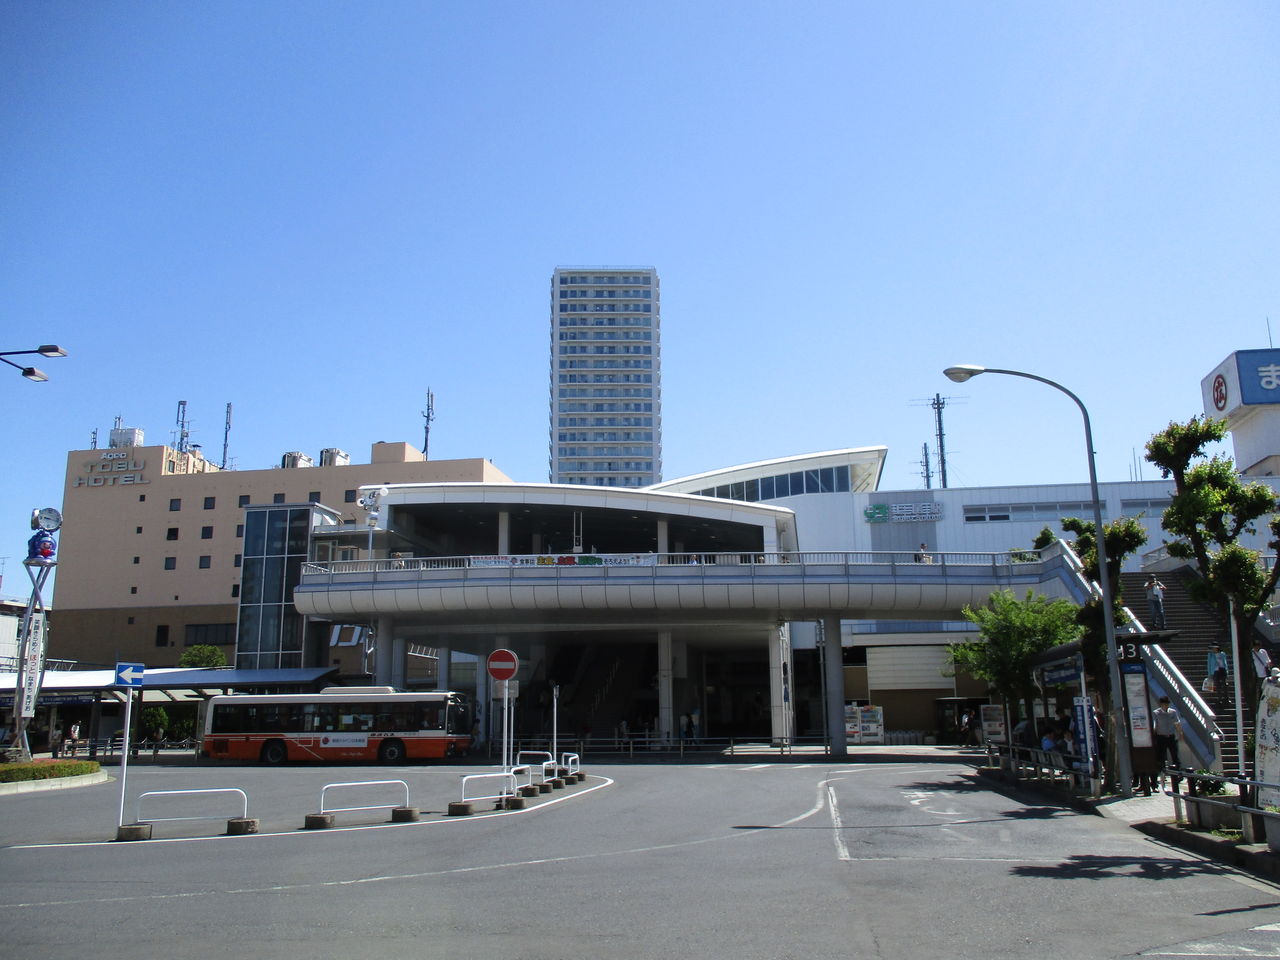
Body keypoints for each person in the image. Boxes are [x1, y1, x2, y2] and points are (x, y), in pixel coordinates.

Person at [1151, 696, 1182, 781]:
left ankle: (1178, 774)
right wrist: (1153, 735)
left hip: (1171, 736)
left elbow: (1177, 723)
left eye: (1167, 704)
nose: (1166, 705)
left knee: (1175, 756)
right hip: (1161, 737)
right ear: (1161, 704)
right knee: (1161, 757)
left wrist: (1180, 733)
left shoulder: (1173, 712)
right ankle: (1162, 774)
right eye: (1164, 704)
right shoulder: (1156, 713)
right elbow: (1155, 724)